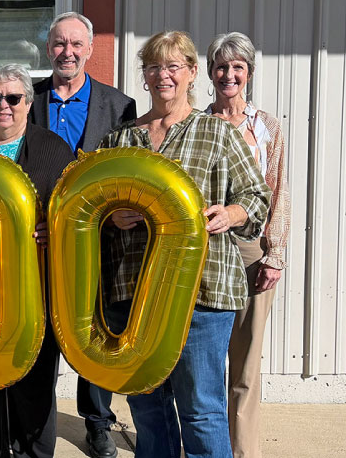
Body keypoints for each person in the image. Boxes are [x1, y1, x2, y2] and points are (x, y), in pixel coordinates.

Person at [98, 31, 271, 458]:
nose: (163, 75)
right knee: (147, 406)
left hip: (201, 291)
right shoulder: (119, 140)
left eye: (173, 66)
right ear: (144, 75)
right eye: (154, 67)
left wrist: (231, 214)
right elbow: (94, 207)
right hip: (134, 292)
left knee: (201, 409)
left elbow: (257, 196)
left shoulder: (218, 133)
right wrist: (112, 216)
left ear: (193, 73)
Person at [0, 64, 75, 458]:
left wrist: (54, 229)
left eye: (12, 98)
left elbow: (74, 214)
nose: (3, 105)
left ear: (28, 102)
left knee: (32, 396)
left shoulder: (52, 150)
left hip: (30, 298)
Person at [31, 11, 136, 458]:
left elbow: (125, 170)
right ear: (48, 48)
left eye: (76, 44)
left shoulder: (120, 106)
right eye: (59, 43)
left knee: (94, 332)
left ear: (90, 49)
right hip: (38, 240)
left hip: (99, 240)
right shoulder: (27, 97)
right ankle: (36, 424)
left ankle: (97, 423)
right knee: (40, 333)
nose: (67, 52)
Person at [204, 32, 290, 458]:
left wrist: (275, 254)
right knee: (202, 361)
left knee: (246, 364)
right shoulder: (195, 124)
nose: (229, 75)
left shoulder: (267, 127)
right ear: (209, 72)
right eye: (221, 66)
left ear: (249, 73)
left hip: (251, 251)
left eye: (237, 67)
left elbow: (278, 192)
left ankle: (243, 452)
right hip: (205, 252)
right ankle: (205, 446)